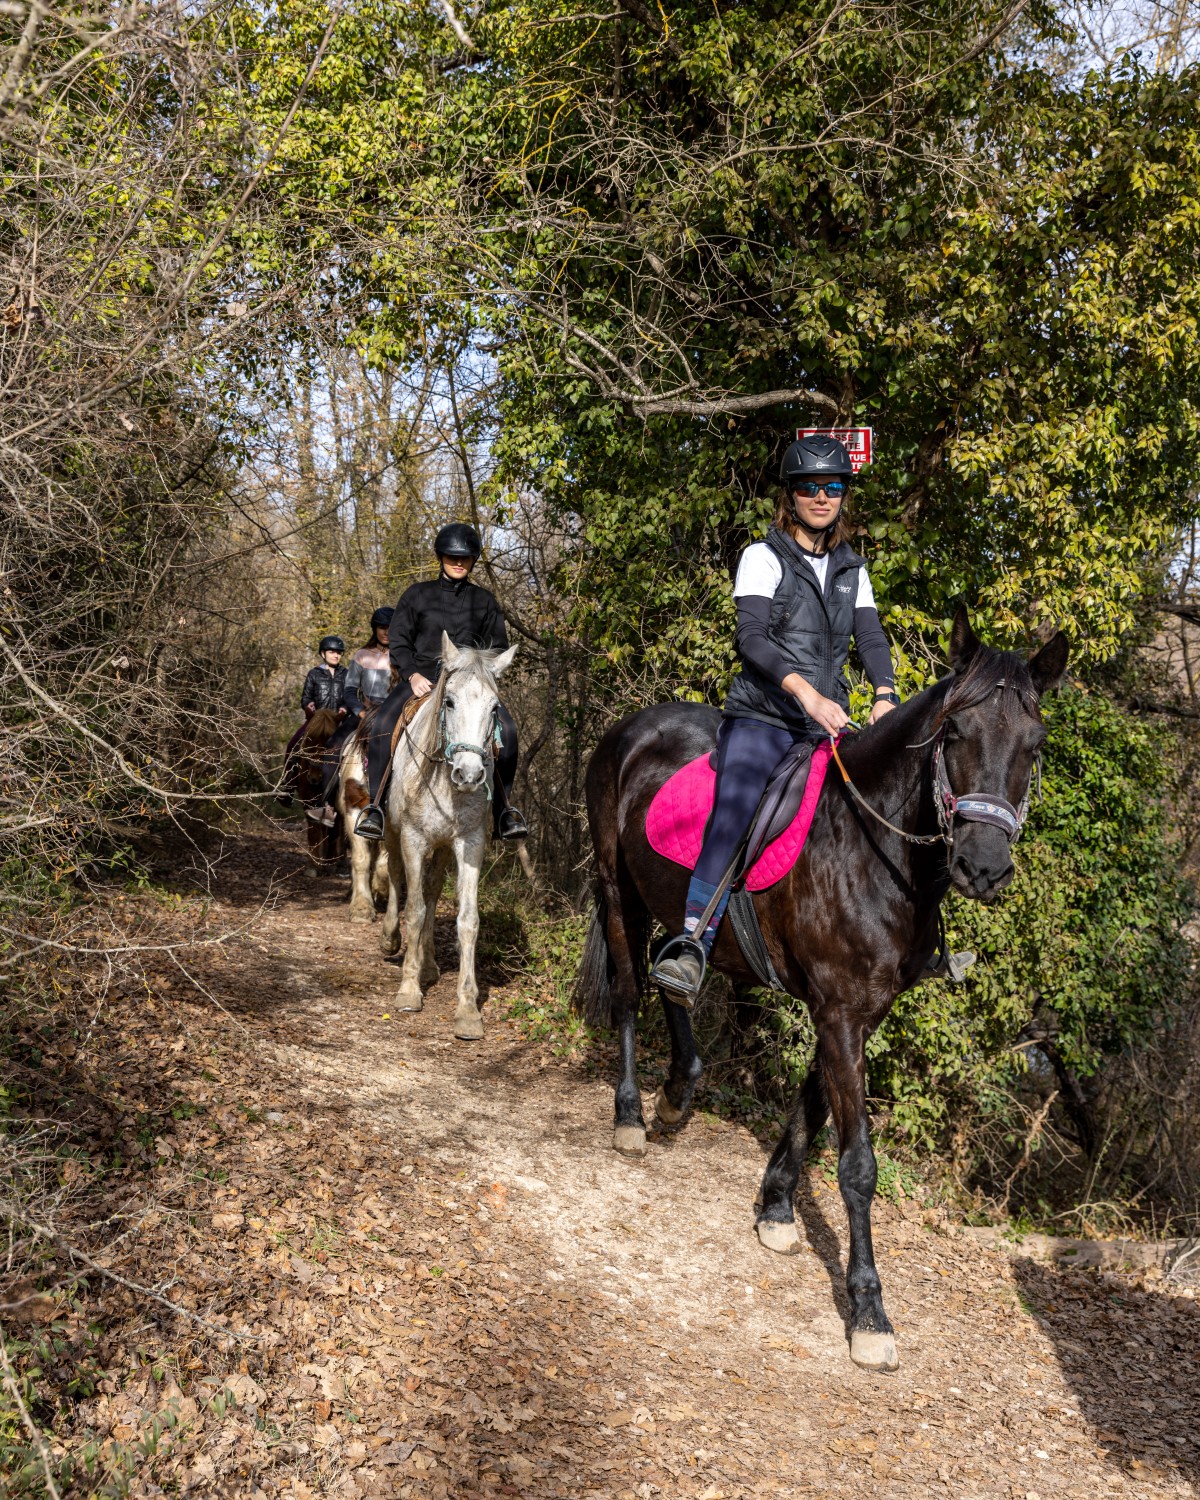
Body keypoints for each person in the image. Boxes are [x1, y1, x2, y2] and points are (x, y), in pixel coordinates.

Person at [650, 435, 900, 1001]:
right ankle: (692, 941)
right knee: (736, 803)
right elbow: (752, 640)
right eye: (809, 487)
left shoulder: (851, 569)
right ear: (791, 496)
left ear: (843, 496)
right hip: (763, 718)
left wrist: (884, 692)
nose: (821, 497)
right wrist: (807, 695)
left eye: (832, 487)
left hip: (825, 726)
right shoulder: (761, 558)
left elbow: (871, 637)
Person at [353, 524, 529, 843]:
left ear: (474, 560)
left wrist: (482, 672)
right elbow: (400, 642)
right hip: (423, 679)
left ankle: (503, 812)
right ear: (440, 557)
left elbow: (499, 645)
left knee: (510, 732)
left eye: (465, 558)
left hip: (469, 687)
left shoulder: (484, 601)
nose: (458, 562)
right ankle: (375, 809)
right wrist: (412, 674)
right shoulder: (417, 595)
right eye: (452, 556)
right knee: (382, 726)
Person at [344, 607, 395, 721]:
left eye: (390, 628)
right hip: (365, 714)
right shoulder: (361, 655)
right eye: (382, 628)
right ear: (375, 629)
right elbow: (349, 692)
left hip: (392, 716)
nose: (386, 632)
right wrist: (361, 712)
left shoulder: (402, 656)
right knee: (335, 739)